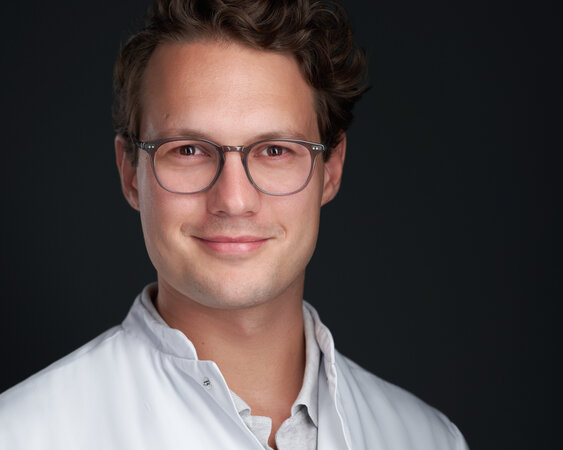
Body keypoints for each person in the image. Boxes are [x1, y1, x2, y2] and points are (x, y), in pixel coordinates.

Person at [0, 0, 469, 449]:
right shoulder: (21, 436)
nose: (234, 200)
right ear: (130, 173)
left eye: (274, 150)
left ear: (330, 169)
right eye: (188, 150)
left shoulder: (427, 440)